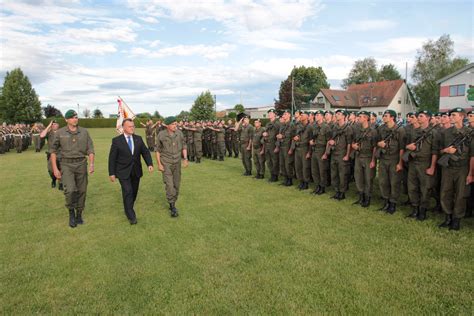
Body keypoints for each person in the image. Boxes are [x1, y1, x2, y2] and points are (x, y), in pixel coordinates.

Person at [50, 110, 95, 228]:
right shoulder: (60, 133)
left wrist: (91, 164)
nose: (75, 119)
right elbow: (53, 152)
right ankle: (71, 212)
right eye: (72, 117)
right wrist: (55, 169)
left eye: (76, 117)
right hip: (66, 165)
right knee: (70, 190)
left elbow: (90, 149)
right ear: (66, 120)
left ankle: (79, 214)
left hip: (81, 164)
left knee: (82, 190)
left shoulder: (84, 132)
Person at [108, 119, 154, 225]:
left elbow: (145, 152)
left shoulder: (138, 139)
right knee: (128, 191)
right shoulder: (117, 141)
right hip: (123, 172)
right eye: (129, 126)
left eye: (133, 126)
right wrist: (111, 173)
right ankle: (131, 215)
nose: (132, 128)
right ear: (123, 128)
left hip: (136, 171)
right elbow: (112, 158)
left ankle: (128, 207)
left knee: (133, 192)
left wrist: (150, 164)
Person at [155, 116, 188, 217]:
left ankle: (173, 201)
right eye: (173, 124)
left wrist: (185, 159)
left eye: (176, 123)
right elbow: (157, 150)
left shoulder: (179, 133)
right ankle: (172, 206)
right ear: (167, 126)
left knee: (176, 185)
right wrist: (159, 164)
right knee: (169, 185)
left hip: (177, 162)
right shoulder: (161, 135)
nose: (175, 125)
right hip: (166, 163)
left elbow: (184, 146)